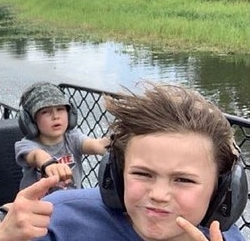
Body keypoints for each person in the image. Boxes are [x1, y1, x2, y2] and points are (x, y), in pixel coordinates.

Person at [36, 83, 247, 241]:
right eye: (142, 174)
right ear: (116, 174)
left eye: (183, 179)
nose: (158, 195)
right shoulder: (56, 220)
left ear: (221, 191)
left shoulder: (226, 237)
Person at [14, 82, 109, 192]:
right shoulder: (26, 145)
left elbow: (95, 145)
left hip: (71, 202)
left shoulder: (73, 138)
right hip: (38, 205)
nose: (55, 116)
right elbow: (36, 155)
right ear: (30, 121)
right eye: (45, 112)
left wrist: (112, 145)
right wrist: (49, 164)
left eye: (60, 109)